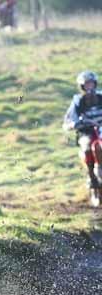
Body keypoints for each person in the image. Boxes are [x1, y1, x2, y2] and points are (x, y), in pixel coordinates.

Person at [63, 71, 102, 204]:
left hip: (101, 130)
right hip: (87, 132)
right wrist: (75, 124)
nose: (89, 86)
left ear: (95, 84)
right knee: (87, 148)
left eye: (91, 83)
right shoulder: (78, 101)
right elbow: (68, 120)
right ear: (82, 86)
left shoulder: (101, 97)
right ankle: (92, 178)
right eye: (86, 84)